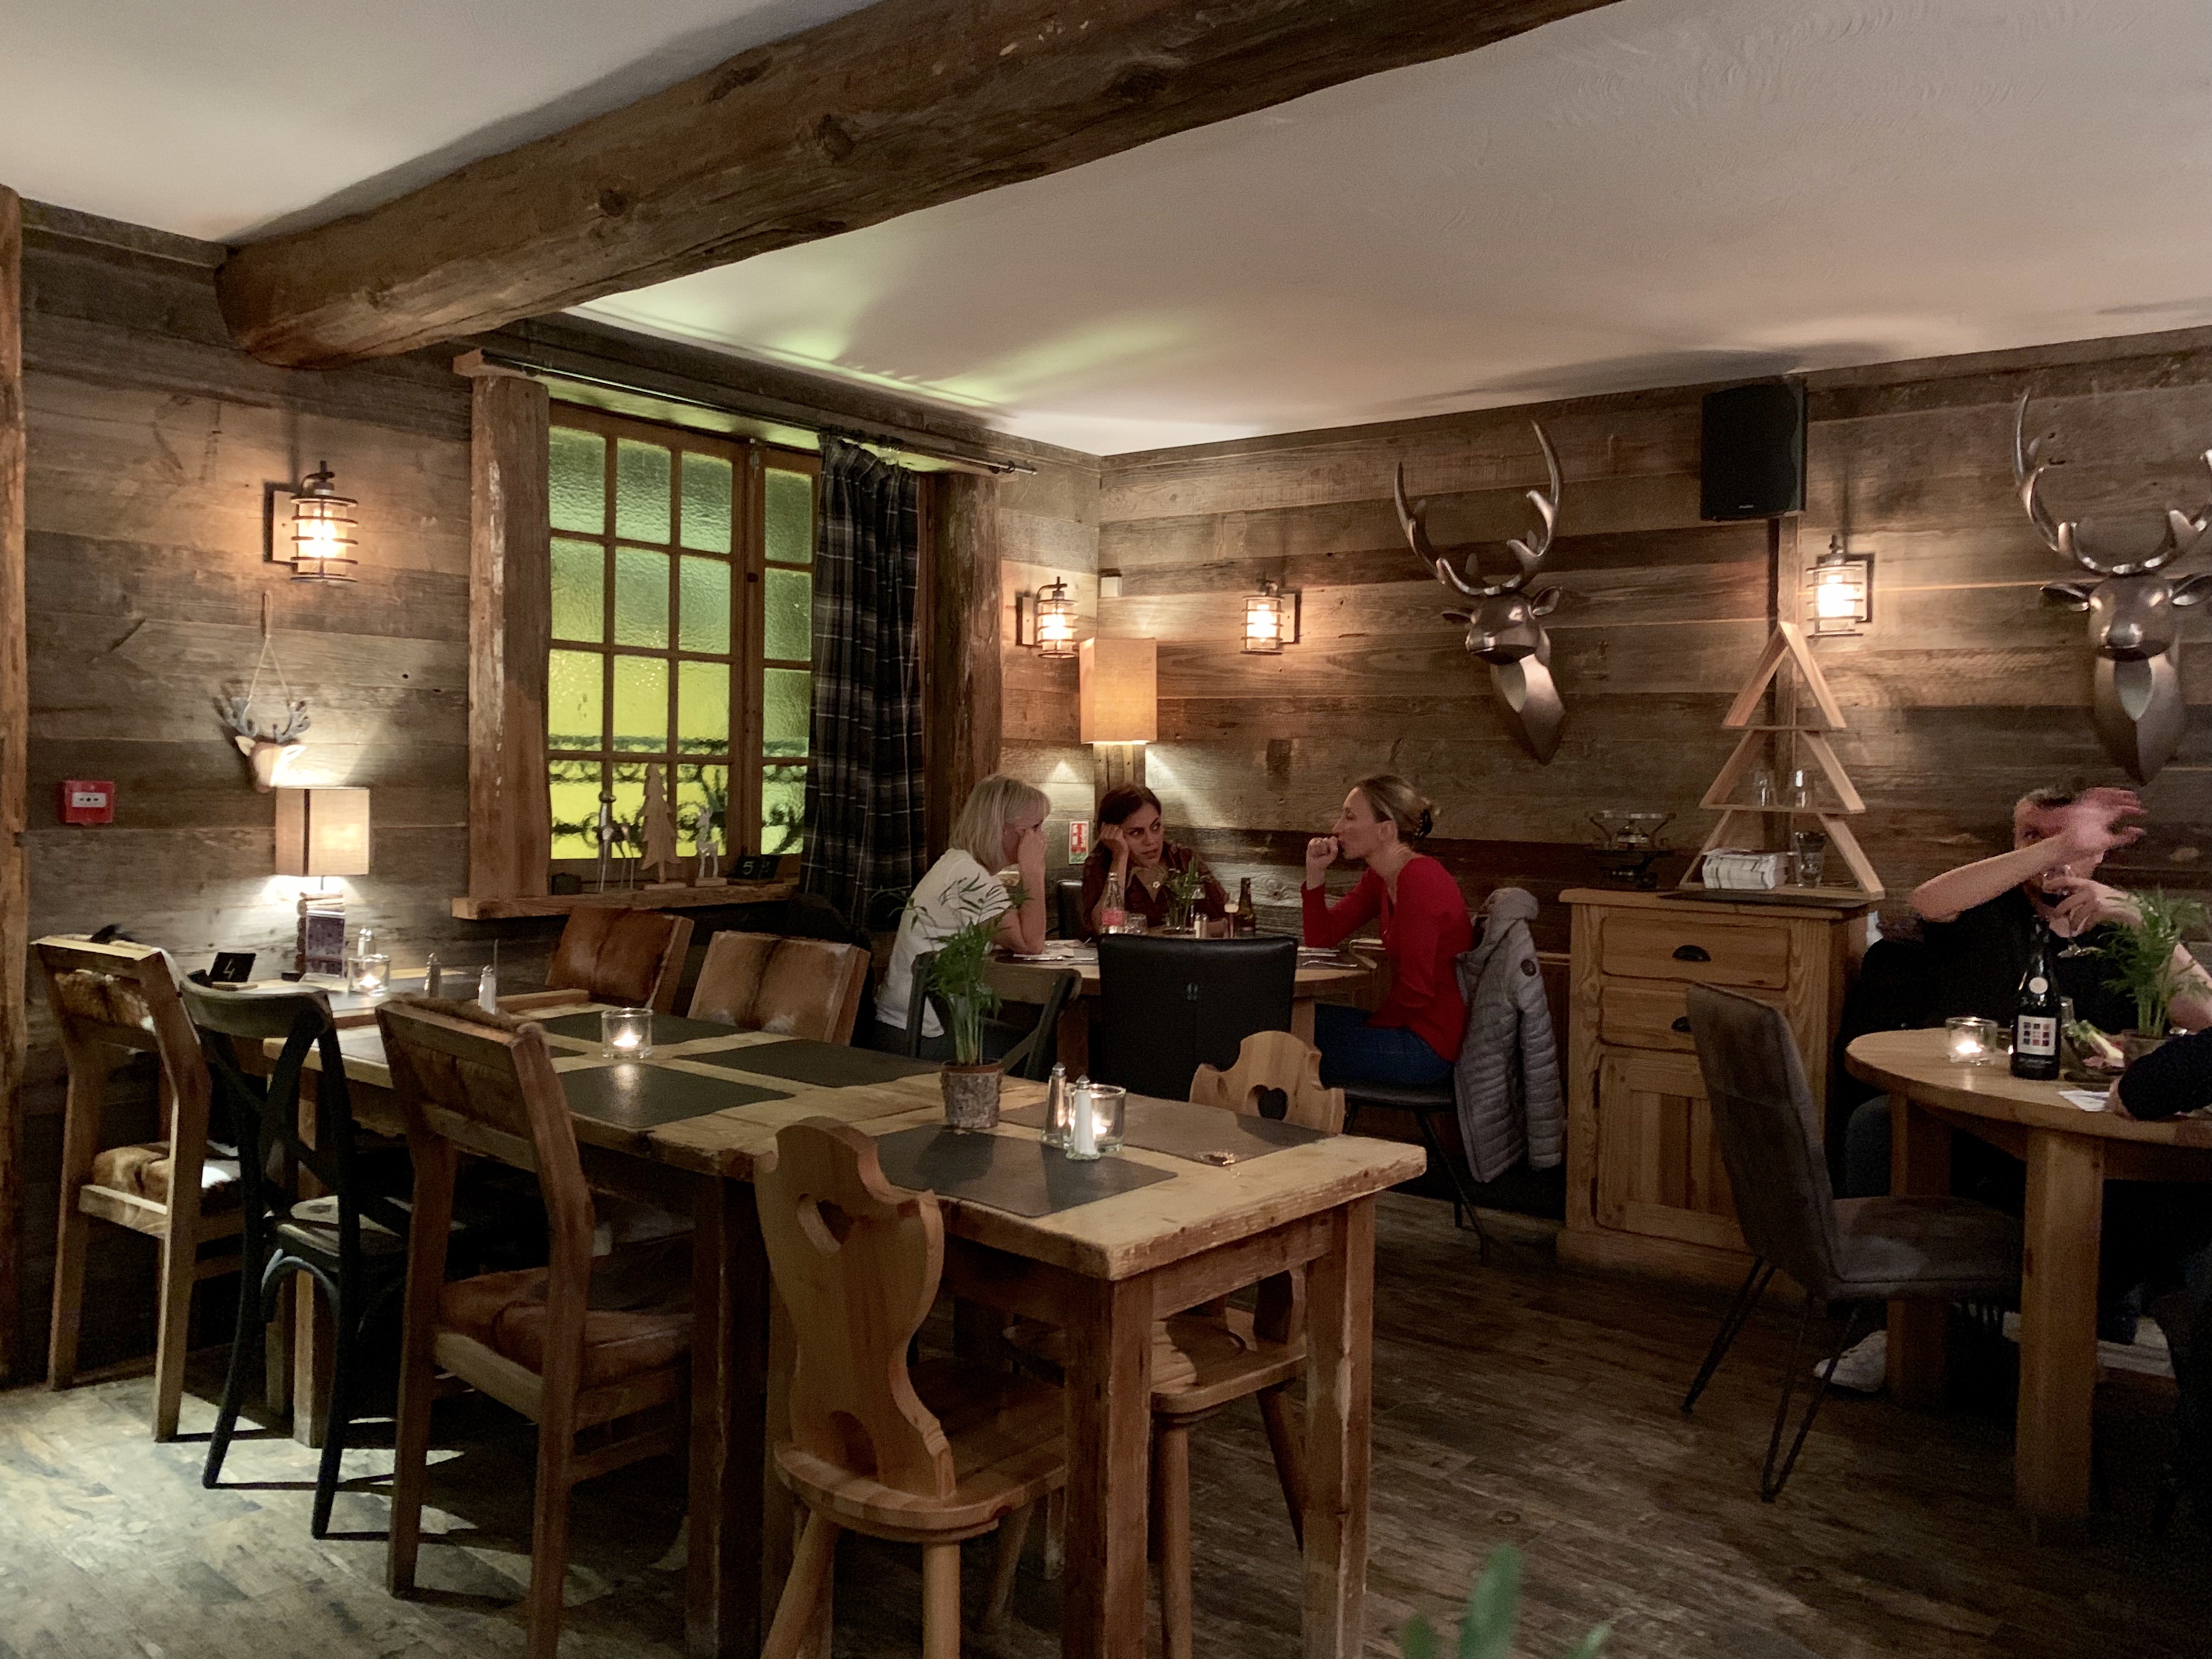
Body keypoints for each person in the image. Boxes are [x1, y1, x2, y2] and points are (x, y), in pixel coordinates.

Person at [1301, 775, 1472, 1088]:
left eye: (1350, 817)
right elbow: (1320, 939)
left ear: (1386, 830)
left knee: (1289, 1047)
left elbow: (1417, 990)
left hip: (1430, 1047)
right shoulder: (1380, 877)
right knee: (1283, 1019)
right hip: (1406, 1027)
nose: (1337, 828)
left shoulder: (1421, 880)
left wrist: (1369, 1030)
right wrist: (1315, 873)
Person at [873, 774, 1049, 1057]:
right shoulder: (968, 876)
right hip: (919, 1032)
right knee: (1042, 1050)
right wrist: (1033, 871)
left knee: (1029, 1039)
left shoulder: (959, 864)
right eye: (1035, 828)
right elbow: (1031, 943)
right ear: (1004, 829)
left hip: (912, 1022)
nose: (1042, 839)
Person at [1077, 784, 1227, 937]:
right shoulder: (1100, 864)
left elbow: (1231, 920)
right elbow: (1104, 930)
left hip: (1186, 951)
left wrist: (1178, 934)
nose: (1151, 841)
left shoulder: (1183, 859)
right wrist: (1120, 859)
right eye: (1137, 833)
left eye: (1156, 827)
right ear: (1112, 835)